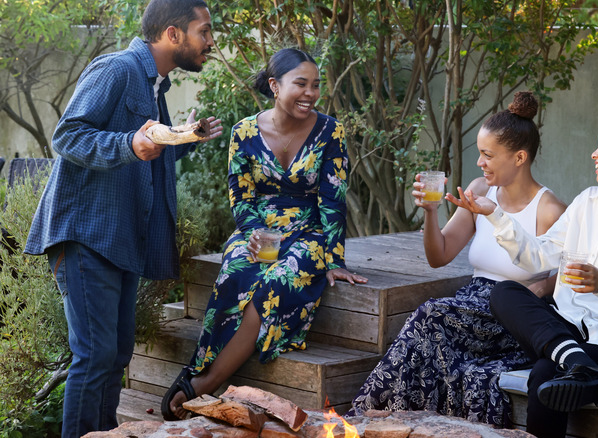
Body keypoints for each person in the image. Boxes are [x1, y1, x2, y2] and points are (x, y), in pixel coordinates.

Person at [23, 0, 223, 436]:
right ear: (173, 34)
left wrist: (187, 137)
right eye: (203, 32)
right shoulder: (116, 69)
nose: (210, 41)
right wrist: (129, 145)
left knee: (115, 356)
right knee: (94, 356)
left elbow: (149, 147)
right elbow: (68, 135)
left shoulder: (155, 85)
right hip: (85, 236)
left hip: (120, 240)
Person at [449, 106, 598, 438]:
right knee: (504, 292)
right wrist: (495, 214)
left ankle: (578, 365)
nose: (595, 153)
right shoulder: (586, 203)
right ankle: (579, 363)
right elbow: (536, 258)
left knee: (546, 373)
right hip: (573, 333)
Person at [162, 47, 368, 420]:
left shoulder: (330, 131)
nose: (310, 94)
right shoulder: (244, 131)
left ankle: (204, 383)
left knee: (276, 281)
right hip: (256, 228)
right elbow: (240, 195)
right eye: (300, 84)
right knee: (234, 275)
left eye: (316, 86)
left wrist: (334, 259)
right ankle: (197, 368)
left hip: (310, 231)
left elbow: (333, 199)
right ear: (275, 85)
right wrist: (255, 233)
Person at [348, 92, 567, 427]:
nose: (479, 162)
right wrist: (431, 212)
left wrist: (545, 285)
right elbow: (440, 255)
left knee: (430, 315)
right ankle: (390, 426)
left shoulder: (550, 209)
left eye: (487, 155)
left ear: (519, 157)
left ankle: (361, 422)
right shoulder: (481, 190)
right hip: (468, 310)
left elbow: (572, 270)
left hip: (510, 320)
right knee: (438, 349)